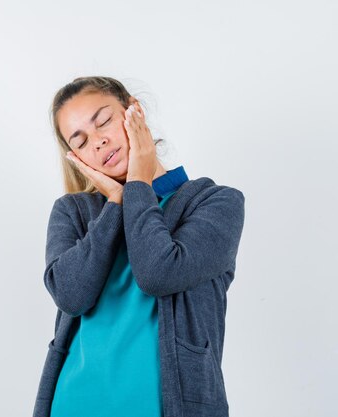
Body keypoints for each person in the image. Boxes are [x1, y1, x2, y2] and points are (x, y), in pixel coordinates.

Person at [33, 76, 246, 417]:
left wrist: (136, 186)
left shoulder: (215, 203)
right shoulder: (72, 211)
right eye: (81, 141)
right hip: (74, 405)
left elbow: (157, 273)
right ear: (76, 157)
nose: (99, 142)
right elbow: (71, 296)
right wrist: (115, 204)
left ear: (135, 111)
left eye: (103, 121)